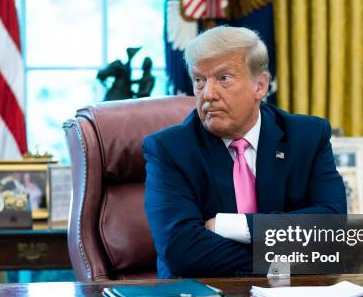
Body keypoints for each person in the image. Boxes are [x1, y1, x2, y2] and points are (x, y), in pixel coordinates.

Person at [143, 26, 346, 278]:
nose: (208, 94)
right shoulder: (170, 150)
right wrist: (291, 257)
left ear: (260, 86)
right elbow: (182, 253)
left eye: (223, 78)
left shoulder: (306, 136)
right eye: (199, 80)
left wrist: (232, 226)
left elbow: (332, 228)